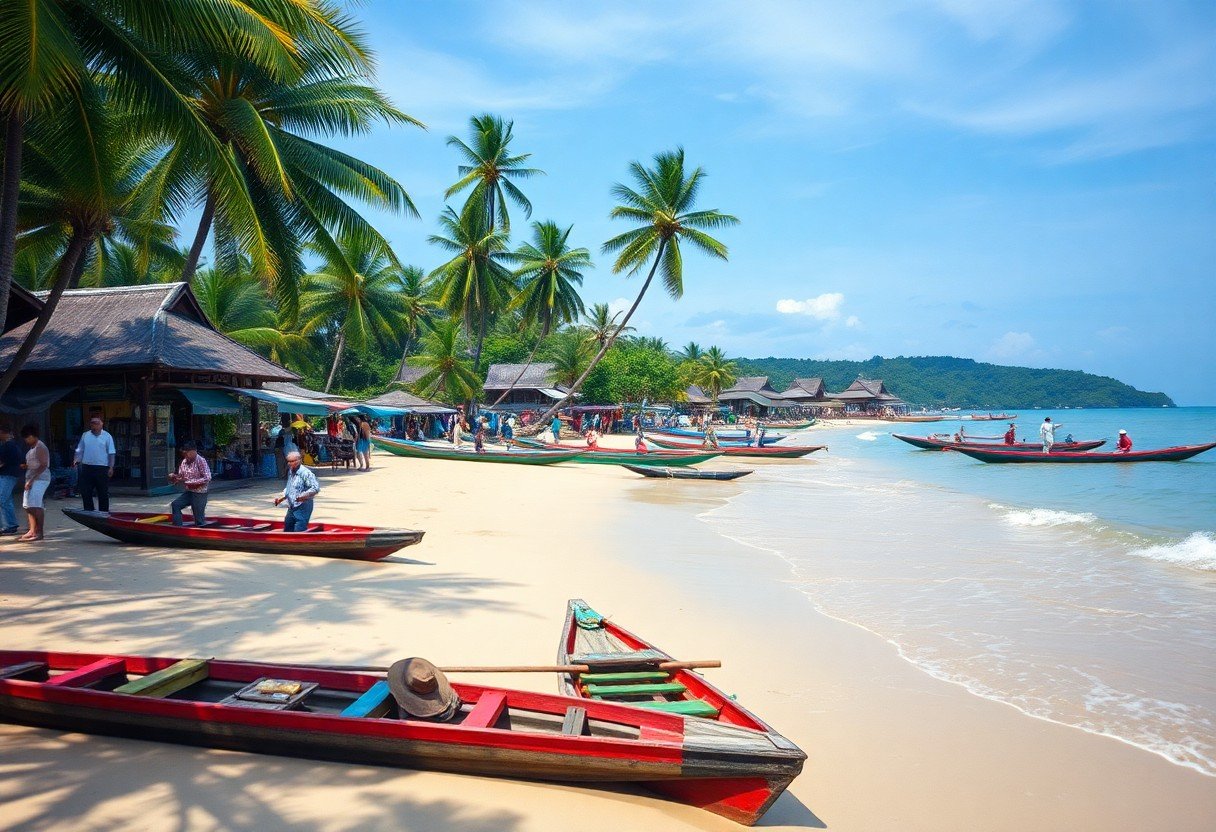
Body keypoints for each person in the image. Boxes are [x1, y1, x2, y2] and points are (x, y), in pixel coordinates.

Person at [73, 415, 116, 512]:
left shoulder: (107, 436)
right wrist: (76, 460)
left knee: (103, 492)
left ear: (101, 424)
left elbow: (111, 453)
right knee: (86, 491)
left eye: (96, 423)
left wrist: (111, 467)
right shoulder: (85, 435)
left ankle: (103, 513)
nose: (94, 425)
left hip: (102, 467)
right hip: (87, 467)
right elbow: (80, 449)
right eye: (92, 423)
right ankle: (89, 511)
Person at [19, 424, 51, 542]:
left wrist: (32, 480)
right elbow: (35, 463)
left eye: (27, 438)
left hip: (40, 479)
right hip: (31, 478)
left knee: (36, 505)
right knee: (27, 505)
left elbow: (43, 465)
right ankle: (32, 530)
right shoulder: (33, 448)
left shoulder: (40, 447)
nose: (26, 440)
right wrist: (26, 466)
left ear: (32, 436)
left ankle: (39, 532)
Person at [168, 441, 212, 526]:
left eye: (187, 453)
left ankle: (201, 533)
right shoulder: (184, 462)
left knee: (198, 517)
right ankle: (177, 528)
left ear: (194, 451)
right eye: (184, 454)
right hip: (189, 491)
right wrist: (175, 477)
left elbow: (208, 477)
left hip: (200, 492)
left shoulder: (201, 460)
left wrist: (190, 482)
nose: (186, 456)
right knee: (176, 505)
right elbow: (182, 476)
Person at [274, 451, 320, 531]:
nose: (289, 464)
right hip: (292, 506)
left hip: (303, 506)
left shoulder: (305, 473)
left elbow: (315, 488)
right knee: (288, 528)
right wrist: (281, 498)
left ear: (299, 460)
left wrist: (304, 495)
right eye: (288, 461)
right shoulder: (291, 471)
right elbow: (290, 487)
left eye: (292, 461)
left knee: (299, 530)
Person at [0, 422, 22, 535]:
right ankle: (11, 524)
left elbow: (2, 462)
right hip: (11, 475)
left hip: (7, 475)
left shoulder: (7, 446)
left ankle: (6, 525)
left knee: (2, 499)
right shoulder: (13, 445)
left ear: (3, 433)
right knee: (7, 500)